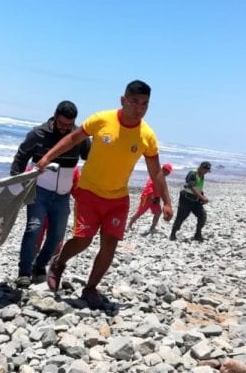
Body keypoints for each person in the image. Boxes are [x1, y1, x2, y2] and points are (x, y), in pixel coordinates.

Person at [36, 80, 173, 309]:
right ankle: (58, 264)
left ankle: (90, 289)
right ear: (123, 100)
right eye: (135, 102)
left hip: (118, 199)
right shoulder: (102, 120)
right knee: (83, 240)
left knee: (109, 245)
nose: (140, 108)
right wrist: (48, 157)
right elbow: (73, 138)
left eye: (145, 104)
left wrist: (167, 201)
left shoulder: (146, 136)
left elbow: (155, 171)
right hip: (89, 192)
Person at [10, 101, 91, 288]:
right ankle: (23, 272)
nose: (64, 129)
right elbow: (21, 156)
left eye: (68, 126)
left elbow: (91, 157)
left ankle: (39, 266)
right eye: (61, 124)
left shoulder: (78, 137)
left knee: (56, 236)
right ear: (54, 116)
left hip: (63, 195)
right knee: (34, 228)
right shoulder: (38, 134)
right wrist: (15, 182)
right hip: (39, 192)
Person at [169, 161, 211, 242]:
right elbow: (192, 186)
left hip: (196, 200)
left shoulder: (202, 175)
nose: (206, 172)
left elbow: (199, 188)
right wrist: (202, 197)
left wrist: (202, 196)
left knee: (202, 215)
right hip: (186, 199)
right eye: (205, 170)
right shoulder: (192, 173)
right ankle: (173, 234)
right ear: (201, 167)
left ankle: (197, 234)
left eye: (207, 171)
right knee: (181, 217)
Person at [127, 162, 173, 235]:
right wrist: (152, 197)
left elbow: (161, 189)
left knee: (158, 212)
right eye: (168, 171)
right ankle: (129, 225)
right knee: (140, 212)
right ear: (165, 170)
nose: (169, 173)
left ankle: (152, 227)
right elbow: (149, 187)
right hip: (147, 197)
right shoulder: (156, 176)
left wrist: (158, 198)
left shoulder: (162, 178)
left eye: (169, 172)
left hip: (155, 199)